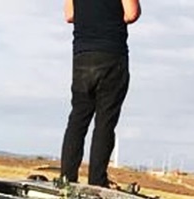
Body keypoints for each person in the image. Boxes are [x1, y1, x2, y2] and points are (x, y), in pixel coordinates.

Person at [59, 0, 141, 188]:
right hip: (111, 52)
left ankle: (66, 179)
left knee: (78, 118)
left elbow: (69, 15)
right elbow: (131, 14)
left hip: (82, 53)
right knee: (105, 121)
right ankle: (97, 180)